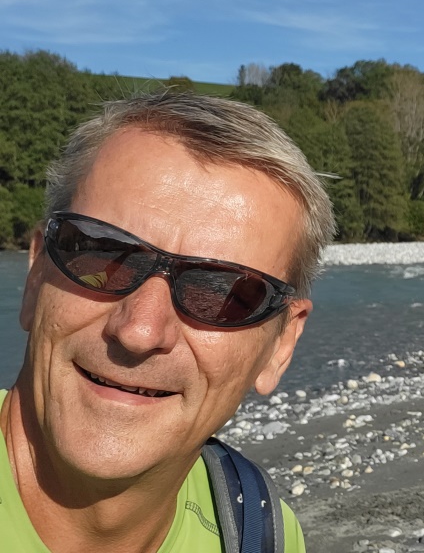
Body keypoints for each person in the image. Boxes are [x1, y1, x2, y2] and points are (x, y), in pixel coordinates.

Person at [0, 92, 335, 552]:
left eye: (219, 292)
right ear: (36, 275)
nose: (140, 331)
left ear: (281, 345)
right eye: (104, 256)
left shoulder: (257, 532)